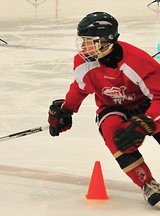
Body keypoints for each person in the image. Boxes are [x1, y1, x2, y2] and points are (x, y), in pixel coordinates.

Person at [48, 11, 160, 207]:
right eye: (82, 40)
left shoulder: (137, 62)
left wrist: (145, 123)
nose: (83, 46)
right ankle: (147, 183)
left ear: (105, 40)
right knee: (111, 129)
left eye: (88, 41)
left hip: (146, 104)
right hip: (112, 106)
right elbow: (80, 88)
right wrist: (66, 110)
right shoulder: (84, 63)